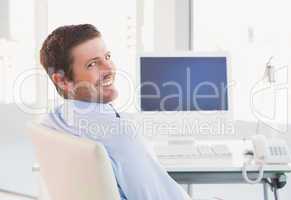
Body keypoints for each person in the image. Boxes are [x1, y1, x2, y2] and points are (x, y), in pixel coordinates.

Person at [38, 24, 190, 200]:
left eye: (107, 57)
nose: (109, 69)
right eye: (92, 64)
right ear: (63, 80)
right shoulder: (120, 135)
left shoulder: (53, 121)